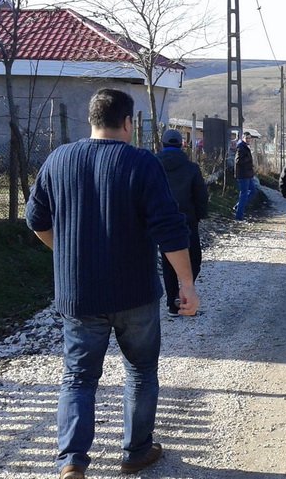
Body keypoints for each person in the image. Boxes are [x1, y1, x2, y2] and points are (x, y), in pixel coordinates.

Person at [25, 88, 200, 479]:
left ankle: (72, 461)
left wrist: (66, 252)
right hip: (134, 292)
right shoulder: (141, 162)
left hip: (79, 294)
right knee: (140, 371)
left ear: (91, 119)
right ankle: (136, 452)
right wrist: (186, 284)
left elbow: (36, 220)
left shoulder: (58, 159)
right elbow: (169, 227)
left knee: (78, 377)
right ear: (127, 123)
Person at [156, 129, 209, 317]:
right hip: (187, 221)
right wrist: (200, 215)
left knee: (169, 261)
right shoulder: (191, 168)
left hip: (162, 221)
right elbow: (201, 195)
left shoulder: (153, 165)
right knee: (194, 259)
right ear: (181, 145)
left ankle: (172, 304)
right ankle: (185, 293)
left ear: (162, 144)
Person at [234, 129, 257, 221]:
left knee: (253, 191)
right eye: (246, 138)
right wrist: (248, 158)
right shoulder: (241, 147)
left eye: (249, 138)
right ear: (242, 138)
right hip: (243, 175)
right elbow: (238, 161)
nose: (248, 140)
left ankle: (238, 206)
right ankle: (239, 215)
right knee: (244, 194)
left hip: (247, 174)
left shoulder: (245, 147)